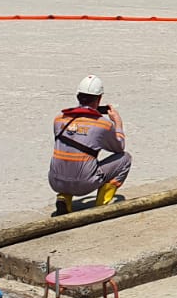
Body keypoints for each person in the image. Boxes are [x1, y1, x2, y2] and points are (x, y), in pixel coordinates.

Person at [49, 74, 131, 215]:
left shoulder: (59, 119)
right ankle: (102, 205)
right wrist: (117, 123)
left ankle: (65, 198)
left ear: (78, 96)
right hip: (83, 185)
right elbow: (119, 147)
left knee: (68, 158)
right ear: (99, 99)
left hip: (55, 181)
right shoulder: (102, 124)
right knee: (125, 158)